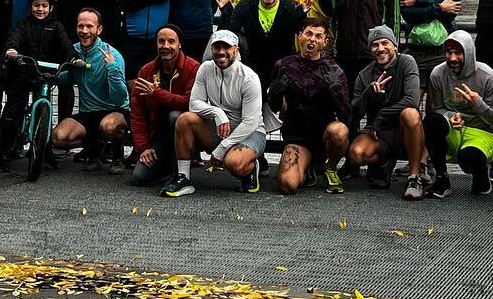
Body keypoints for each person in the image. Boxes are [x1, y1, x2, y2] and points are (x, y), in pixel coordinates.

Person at [167, 29, 273, 197]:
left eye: (227, 47)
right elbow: (194, 103)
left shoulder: (249, 78)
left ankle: (252, 166)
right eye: (217, 47)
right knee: (184, 119)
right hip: (220, 127)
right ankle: (183, 177)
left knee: (234, 164)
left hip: (249, 133)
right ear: (211, 49)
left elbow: (250, 122)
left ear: (236, 50)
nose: (221, 52)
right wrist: (217, 112)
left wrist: (222, 149)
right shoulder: (205, 69)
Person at [264, 20, 351, 194]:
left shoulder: (334, 70)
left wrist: (337, 94)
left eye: (319, 36)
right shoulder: (284, 65)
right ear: (300, 36)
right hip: (297, 137)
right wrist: (274, 92)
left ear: (325, 42)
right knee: (288, 184)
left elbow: (346, 116)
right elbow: (274, 107)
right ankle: (307, 167)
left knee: (339, 131)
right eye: (309, 34)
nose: (312, 40)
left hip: (324, 133)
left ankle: (330, 167)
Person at [0, 0, 76, 168]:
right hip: (23, 72)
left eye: (44, 5)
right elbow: (14, 38)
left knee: (45, 110)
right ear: (30, 6)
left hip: (45, 75)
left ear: (50, 8)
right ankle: (5, 151)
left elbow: (66, 45)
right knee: (12, 113)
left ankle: (45, 150)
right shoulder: (24, 25)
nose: (40, 9)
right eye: (36, 5)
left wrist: (73, 58)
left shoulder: (56, 26)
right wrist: (12, 50)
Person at [347, 26, 426, 198]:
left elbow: (412, 100)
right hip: (378, 134)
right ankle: (384, 161)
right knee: (356, 154)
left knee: (411, 114)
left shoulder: (406, 62)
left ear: (395, 46)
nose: (380, 48)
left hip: (402, 129)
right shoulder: (364, 74)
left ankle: (414, 176)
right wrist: (369, 93)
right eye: (375, 45)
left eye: (385, 43)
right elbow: (354, 113)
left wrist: (381, 117)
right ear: (370, 49)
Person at [425, 30, 493, 198]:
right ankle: (441, 178)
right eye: (449, 52)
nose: (453, 58)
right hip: (454, 129)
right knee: (431, 121)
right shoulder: (437, 74)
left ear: (469, 52)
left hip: (482, 131)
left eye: (458, 52)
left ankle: (481, 174)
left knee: (468, 157)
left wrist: (479, 105)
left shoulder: (489, 77)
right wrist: (449, 116)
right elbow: (437, 108)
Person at [50, 8, 130, 163]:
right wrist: (54, 75)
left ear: (99, 29)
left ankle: (117, 154)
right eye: (81, 26)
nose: (84, 31)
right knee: (59, 138)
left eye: (89, 26)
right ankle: (95, 146)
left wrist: (112, 69)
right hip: (87, 113)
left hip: (113, 110)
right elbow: (66, 80)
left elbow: (120, 98)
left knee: (109, 126)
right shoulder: (73, 51)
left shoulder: (113, 55)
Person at [128, 25, 199, 189]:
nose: (165, 46)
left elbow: (188, 102)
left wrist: (156, 93)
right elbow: (137, 114)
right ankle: (165, 166)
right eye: (161, 41)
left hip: (186, 134)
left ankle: (181, 171)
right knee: (139, 177)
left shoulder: (193, 68)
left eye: (171, 42)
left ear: (180, 44)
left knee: (175, 116)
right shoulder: (146, 71)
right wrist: (143, 148)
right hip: (157, 136)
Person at [216, 0, 306, 90]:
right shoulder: (245, 6)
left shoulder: (290, 8)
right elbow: (226, 37)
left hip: (283, 72)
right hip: (253, 69)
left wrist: (301, 16)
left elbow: (302, 36)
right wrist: (226, 12)